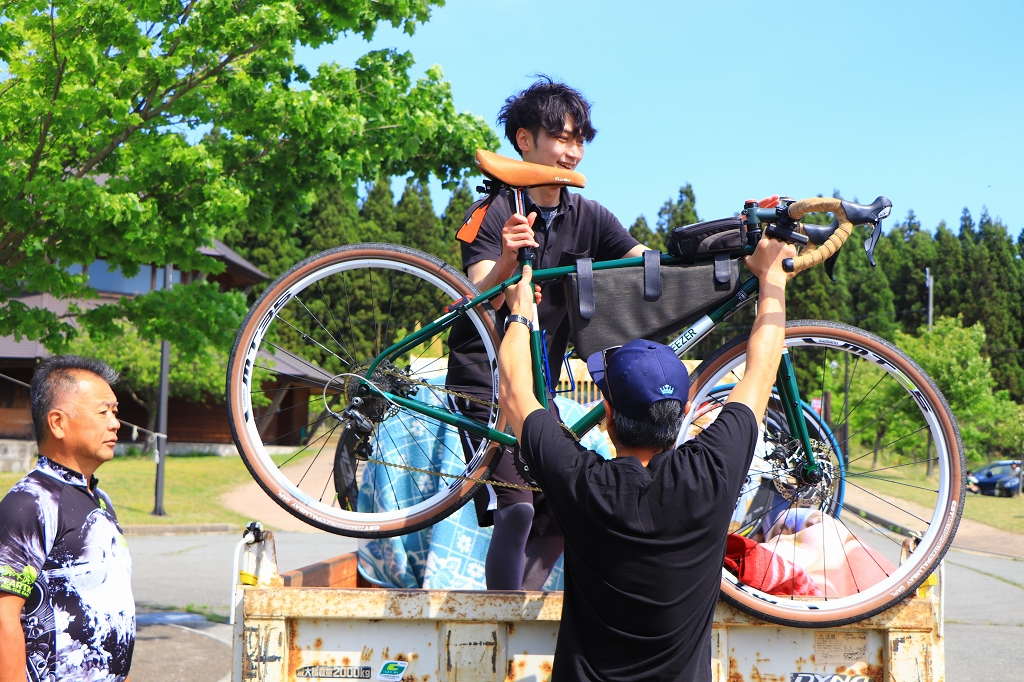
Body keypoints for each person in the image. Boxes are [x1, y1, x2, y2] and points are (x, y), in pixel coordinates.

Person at [497, 236, 796, 681]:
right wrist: (772, 279)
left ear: (609, 416)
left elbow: (513, 391)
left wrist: (520, 310)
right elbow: (762, 368)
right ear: (680, 414)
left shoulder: (583, 483)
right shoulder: (710, 473)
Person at [446, 76, 648, 590]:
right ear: (524, 140)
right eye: (561, 137)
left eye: (580, 139)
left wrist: (718, 255)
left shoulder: (591, 216)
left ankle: (519, 616)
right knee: (516, 510)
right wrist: (509, 260)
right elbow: (480, 296)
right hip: (484, 377)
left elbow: (645, 264)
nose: (572, 151)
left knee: (564, 512)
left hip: (539, 385)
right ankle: (501, 628)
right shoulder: (492, 212)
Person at [0, 356, 135, 682]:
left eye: (115, 412)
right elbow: (3, 616)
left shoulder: (100, 501)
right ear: (58, 422)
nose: (115, 423)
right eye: (103, 412)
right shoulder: (30, 502)